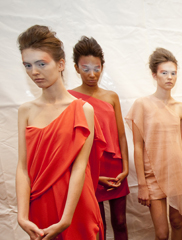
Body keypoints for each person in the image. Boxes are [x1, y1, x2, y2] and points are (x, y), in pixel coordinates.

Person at [16, 25, 104, 239]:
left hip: (75, 206)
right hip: (39, 204)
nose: (34, 72)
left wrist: (66, 218)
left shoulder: (84, 110)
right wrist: (21, 215)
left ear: (61, 64)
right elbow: (22, 166)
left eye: (41, 64)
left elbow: (80, 167)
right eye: (27, 65)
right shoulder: (26, 110)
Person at [126, 48, 182, 240]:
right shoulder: (142, 104)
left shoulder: (181, 109)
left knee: (177, 223)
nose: (170, 77)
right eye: (164, 72)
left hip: (177, 174)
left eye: (173, 73)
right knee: (161, 234)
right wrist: (142, 184)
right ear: (154, 74)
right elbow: (138, 146)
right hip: (152, 176)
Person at [69, 36, 130, 240]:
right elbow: (73, 142)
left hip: (115, 167)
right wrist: (92, 176)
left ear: (102, 66)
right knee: (97, 225)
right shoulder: (70, 99)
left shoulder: (111, 96)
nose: (92, 74)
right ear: (76, 68)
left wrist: (126, 168)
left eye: (96, 68)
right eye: (85, 68)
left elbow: (121, 134)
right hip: (89, 168)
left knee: (120, 222)